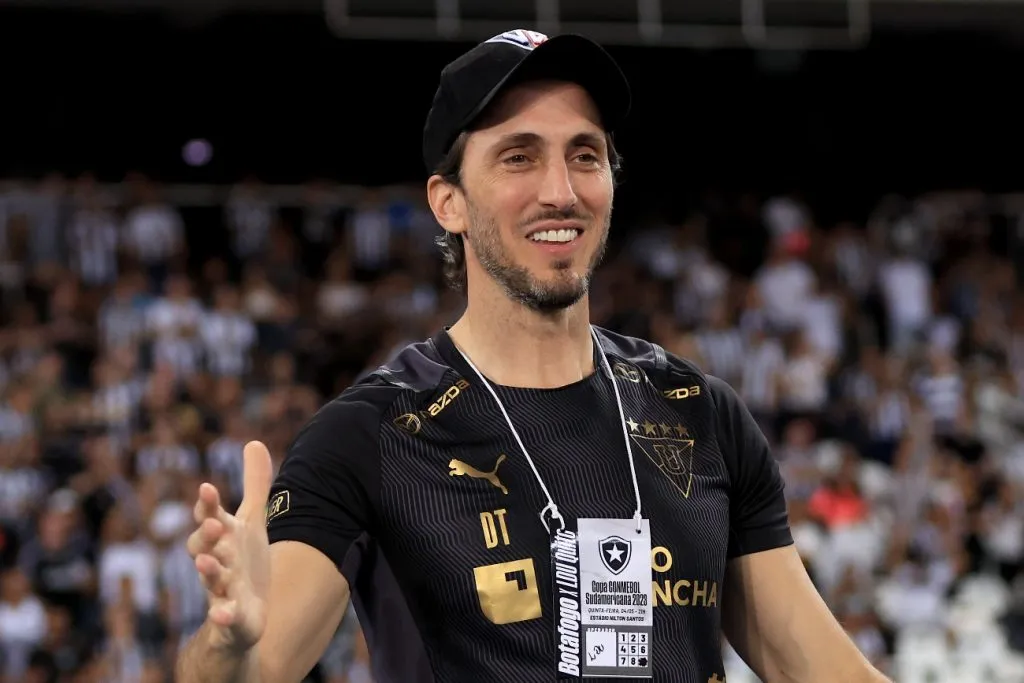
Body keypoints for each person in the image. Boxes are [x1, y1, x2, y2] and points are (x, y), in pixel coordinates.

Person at [175, 28, 892, 683]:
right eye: (519, 156)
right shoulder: (370, 435)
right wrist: (226, 645)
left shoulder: (703, 417)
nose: (560, 191)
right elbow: (253, 670)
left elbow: (827, 671)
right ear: (448, 201)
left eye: (585, 155)